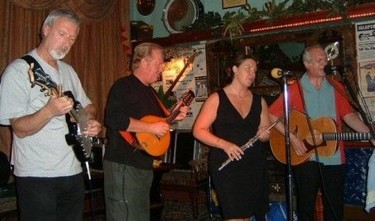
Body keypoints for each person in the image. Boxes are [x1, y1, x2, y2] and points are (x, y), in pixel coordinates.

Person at [0, 8, 101, 220]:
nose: (67, 43)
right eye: (62, 34)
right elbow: (19, 129)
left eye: (72, 38)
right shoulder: (18, 71)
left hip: (72, 170)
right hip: (37, 175)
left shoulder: (68, 71)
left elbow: (88, 106)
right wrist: (49, 110)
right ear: (46, 30)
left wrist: (90, 121)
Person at [268, 44, 375, 221]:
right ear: (307, 64)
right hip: (305, 156)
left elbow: (349, 116)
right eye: (319, 60)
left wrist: (369, 133)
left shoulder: (336, 86)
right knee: (306, 207)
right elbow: (272, 115)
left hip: (334, 156)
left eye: (325, 59)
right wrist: (292, 138)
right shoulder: (295, 88)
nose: (324, 63)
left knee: (335, 207)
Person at [103, 42, 189, 221]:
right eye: (158, 63)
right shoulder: (123, 86)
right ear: (144, 63)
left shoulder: (150, 93)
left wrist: (174, 115)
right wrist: (151, 127)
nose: (162, 67)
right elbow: (113, 119)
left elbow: (160, 124)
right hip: (124, 165)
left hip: (143, 165)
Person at [193, 53, 271, 221]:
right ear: (235, 69)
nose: (252, 74)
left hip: (254, 164)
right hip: (227, 165)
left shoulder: (260, 101)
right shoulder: (217, 98)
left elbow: (266, 133)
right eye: (248, 68)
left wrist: (265, 134)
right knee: (234, 215)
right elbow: (198, 130)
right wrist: (225, 145)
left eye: (255, 70)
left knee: (249, 216)